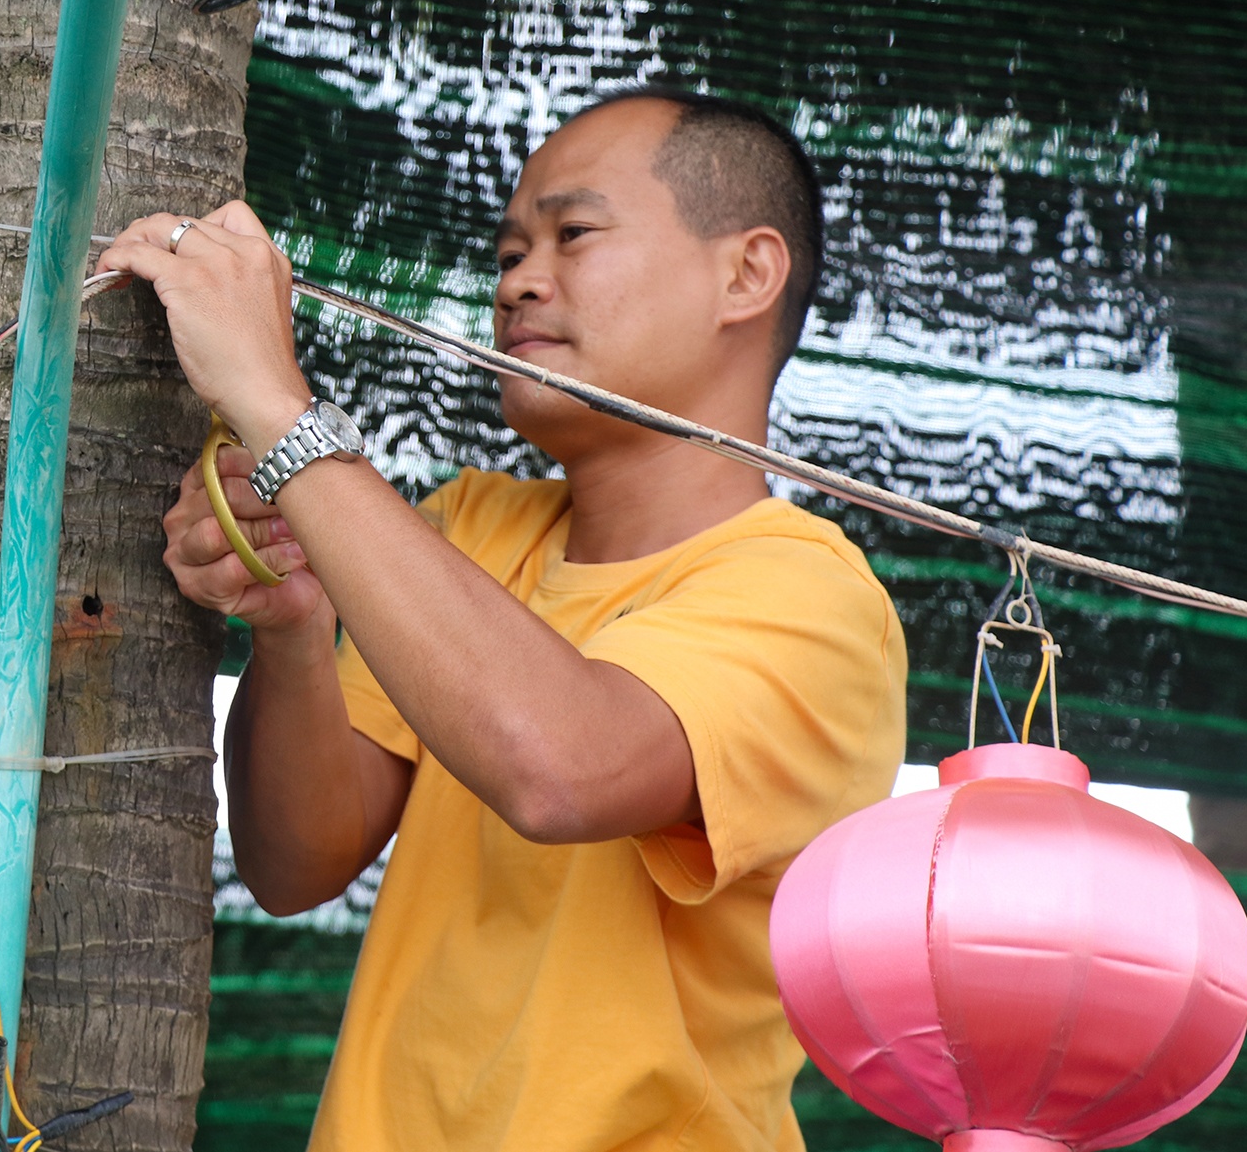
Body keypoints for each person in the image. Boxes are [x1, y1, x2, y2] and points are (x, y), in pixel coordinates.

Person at [100, 87, 908, 1152]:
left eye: (573, 235)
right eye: (508, 254)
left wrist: (273, 402)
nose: (521, 281)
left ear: (747, 274)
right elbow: (296, 865)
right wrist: (294, 624)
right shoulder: (471, 526)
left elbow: (557, 766)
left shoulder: (815, 599)